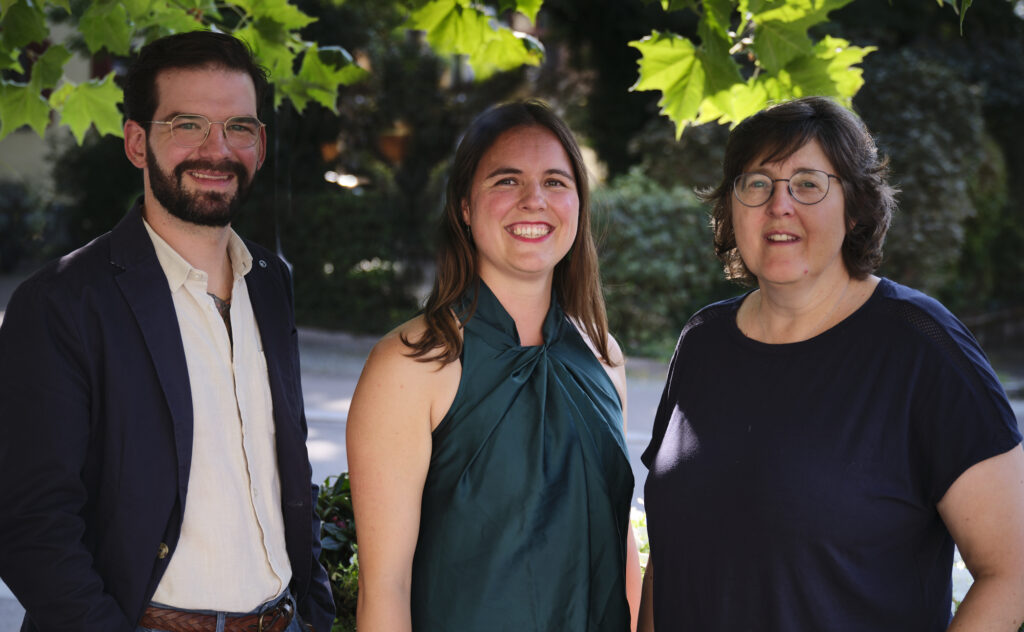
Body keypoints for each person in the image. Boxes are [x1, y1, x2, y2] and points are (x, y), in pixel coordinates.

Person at [637, 95, 1024, 631]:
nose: (779, 205)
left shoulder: (920, 347)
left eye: (808, 183)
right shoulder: (703, 341)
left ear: (857, 206)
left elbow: (1011, 571)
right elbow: (671, 556)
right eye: (756, 184)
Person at [0, 31, 334, 632]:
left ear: (259, 144)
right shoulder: (61, 302)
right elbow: (30, 522)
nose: (217, 149)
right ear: (136, 142)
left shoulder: (270, 280)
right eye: (187, 125)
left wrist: (313, 611)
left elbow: (288, 465)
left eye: (239, 127)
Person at [346, 99, 642, 631]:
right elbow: (384, 587)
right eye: (507, 181)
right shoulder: (409, 365)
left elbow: (620, 549)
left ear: (579, 202)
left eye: (556, 182)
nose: (534, 201)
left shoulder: (605, 356)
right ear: (464, 205)